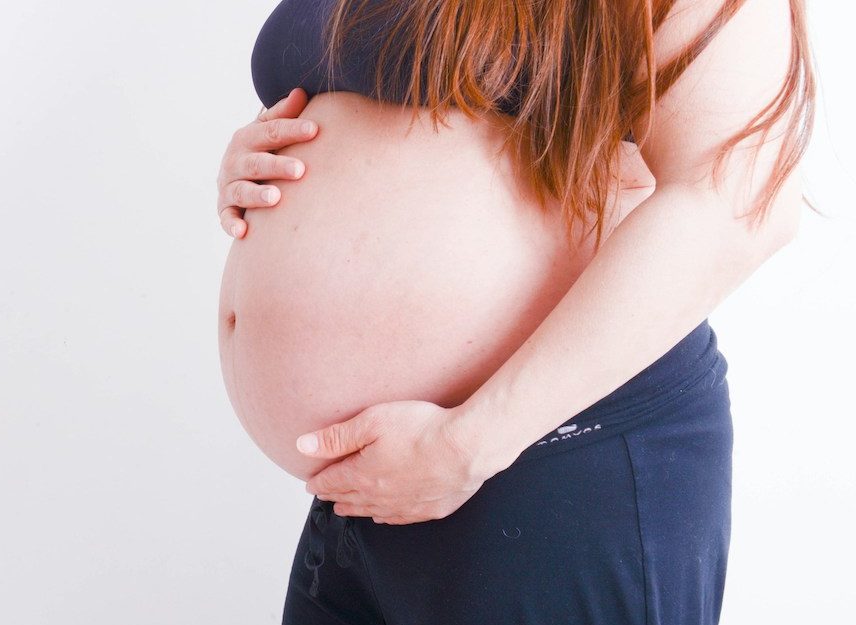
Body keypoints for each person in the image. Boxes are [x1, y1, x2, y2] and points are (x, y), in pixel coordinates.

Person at [214, 0, 815, 623]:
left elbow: (738, 203)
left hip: (548, 457)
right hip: (374, 489)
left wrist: (466, 445)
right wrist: (263, 153)